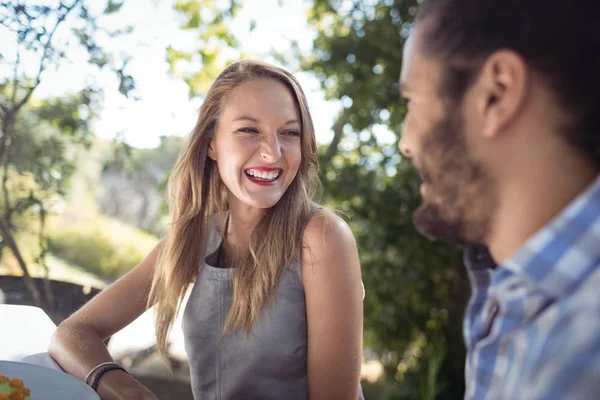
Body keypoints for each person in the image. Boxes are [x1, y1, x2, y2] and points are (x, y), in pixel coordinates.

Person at [49, 60, 365, 400]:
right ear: (211, 143)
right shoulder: (197, 238)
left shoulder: (322, 236)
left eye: (289, 133)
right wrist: (126, 389)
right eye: (249, 130)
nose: (272, 152)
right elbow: (72, 333)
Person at [397, 0, 600, 398]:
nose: (406, 142)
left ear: (497, 93)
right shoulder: (516, 295)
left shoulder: (580, 366)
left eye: (412, 102)